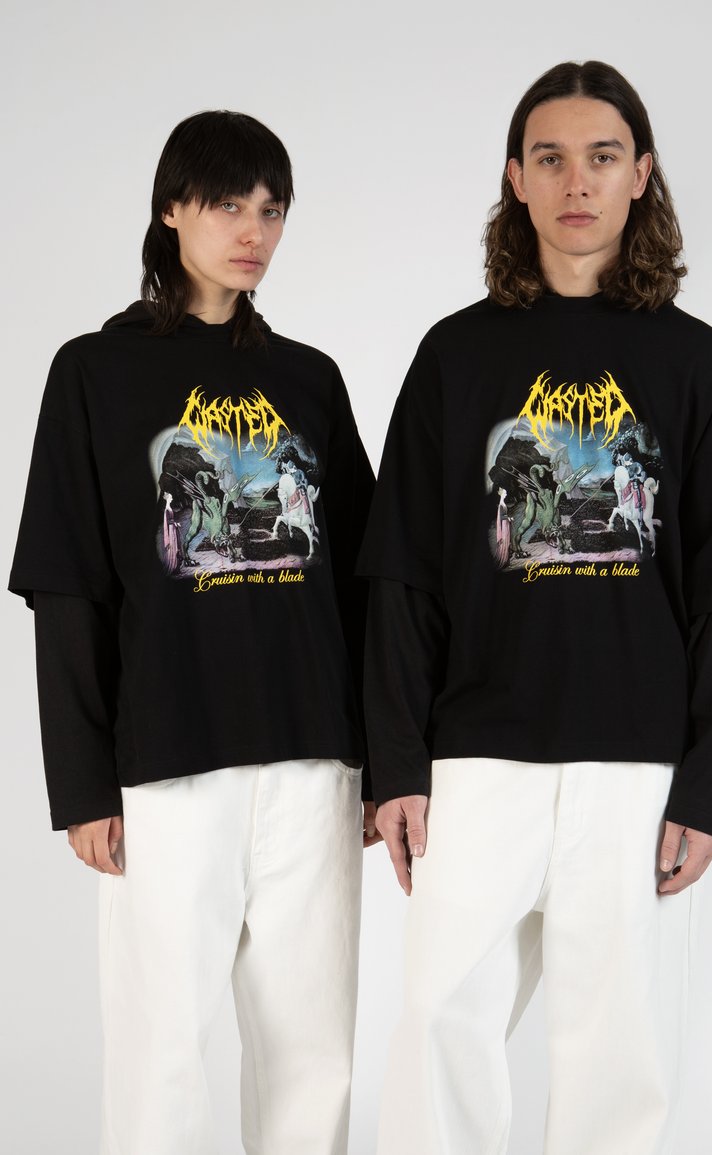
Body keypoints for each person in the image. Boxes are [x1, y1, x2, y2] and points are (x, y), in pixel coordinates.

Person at [357, 61, 712, 1155]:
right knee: (438, 1022)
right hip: (475, 755)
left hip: (637, 765)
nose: (576, 182)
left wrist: (707, 785)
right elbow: (400, 575)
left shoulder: (695, 362)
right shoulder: (454, 355)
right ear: (515, 177)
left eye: (602, 156)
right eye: (549, 158)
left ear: (640, 174)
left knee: (618, 1056)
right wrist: (396, 764)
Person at [9, 110, 377, 1155]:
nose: (253, 231)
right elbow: (67, 586)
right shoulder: (94, 373)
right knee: (161, 1048)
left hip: (312, 760)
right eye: (227, 204)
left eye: (272, 209)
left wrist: (380, 759)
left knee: (314, 1051)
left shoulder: (309, 379)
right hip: (167, 761)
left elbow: (363, 582)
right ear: (172, 209)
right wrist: (82, 784)